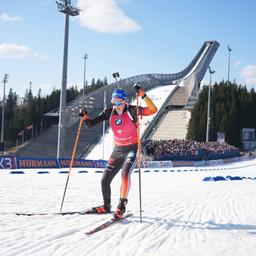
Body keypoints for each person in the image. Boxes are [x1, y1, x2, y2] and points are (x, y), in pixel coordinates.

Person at [79, 84, 158, 219]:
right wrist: (84, 117)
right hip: (117, 150)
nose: (115, 105)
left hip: (131, 149)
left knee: (125, 174)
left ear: (124, 101)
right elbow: (91, 123)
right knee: (104, 180)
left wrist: (143, 96)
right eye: (113, 102)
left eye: (118, 102)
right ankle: (106, 206)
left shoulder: (133, 110)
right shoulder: (110, 112)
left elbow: (153, 110)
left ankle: (121, 206)